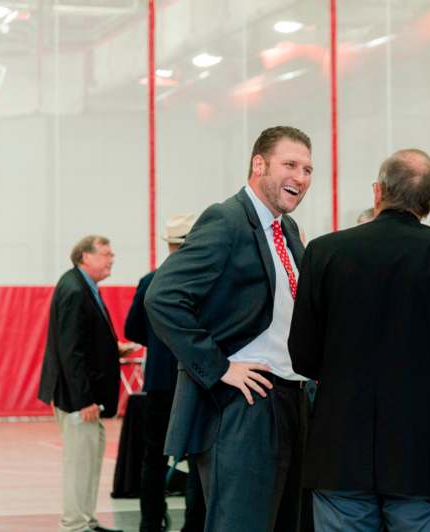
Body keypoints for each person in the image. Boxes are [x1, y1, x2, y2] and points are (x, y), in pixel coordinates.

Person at [288, 148, 430, 532]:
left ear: (377, 192)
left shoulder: (324, 251)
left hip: (341, 449)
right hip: (423, 453)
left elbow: (302, 357)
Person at [145, 126, 313, 532]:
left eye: (308, 169)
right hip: (244, 406)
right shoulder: (227, 219)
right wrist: (219, 368)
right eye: (290, 165)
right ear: (259, 164)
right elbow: (163, 297)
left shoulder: (286, 230)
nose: (301, 177)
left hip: (291, 401)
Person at [37, 235, 125, 532]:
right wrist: (83, 399)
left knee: (90, 459)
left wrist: (114, 347)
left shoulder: (83, 286)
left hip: (86, 395)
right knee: (79, 463)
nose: (111, 258)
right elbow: (70, 350)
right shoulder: (75, 289)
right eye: (105, 253)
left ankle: (86, 520)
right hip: (77, 398)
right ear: (84, 257)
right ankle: (74, 525)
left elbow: (84, 340)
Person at [125, 214, 205, 532]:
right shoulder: (205, 281)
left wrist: (160, 348)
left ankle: (149, 521)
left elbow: (133, 328)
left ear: (169, 244)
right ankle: (194, 524)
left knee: (154, 457)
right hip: (197, 380)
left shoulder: (150, 281)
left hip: (159, 382)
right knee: (199, 457)